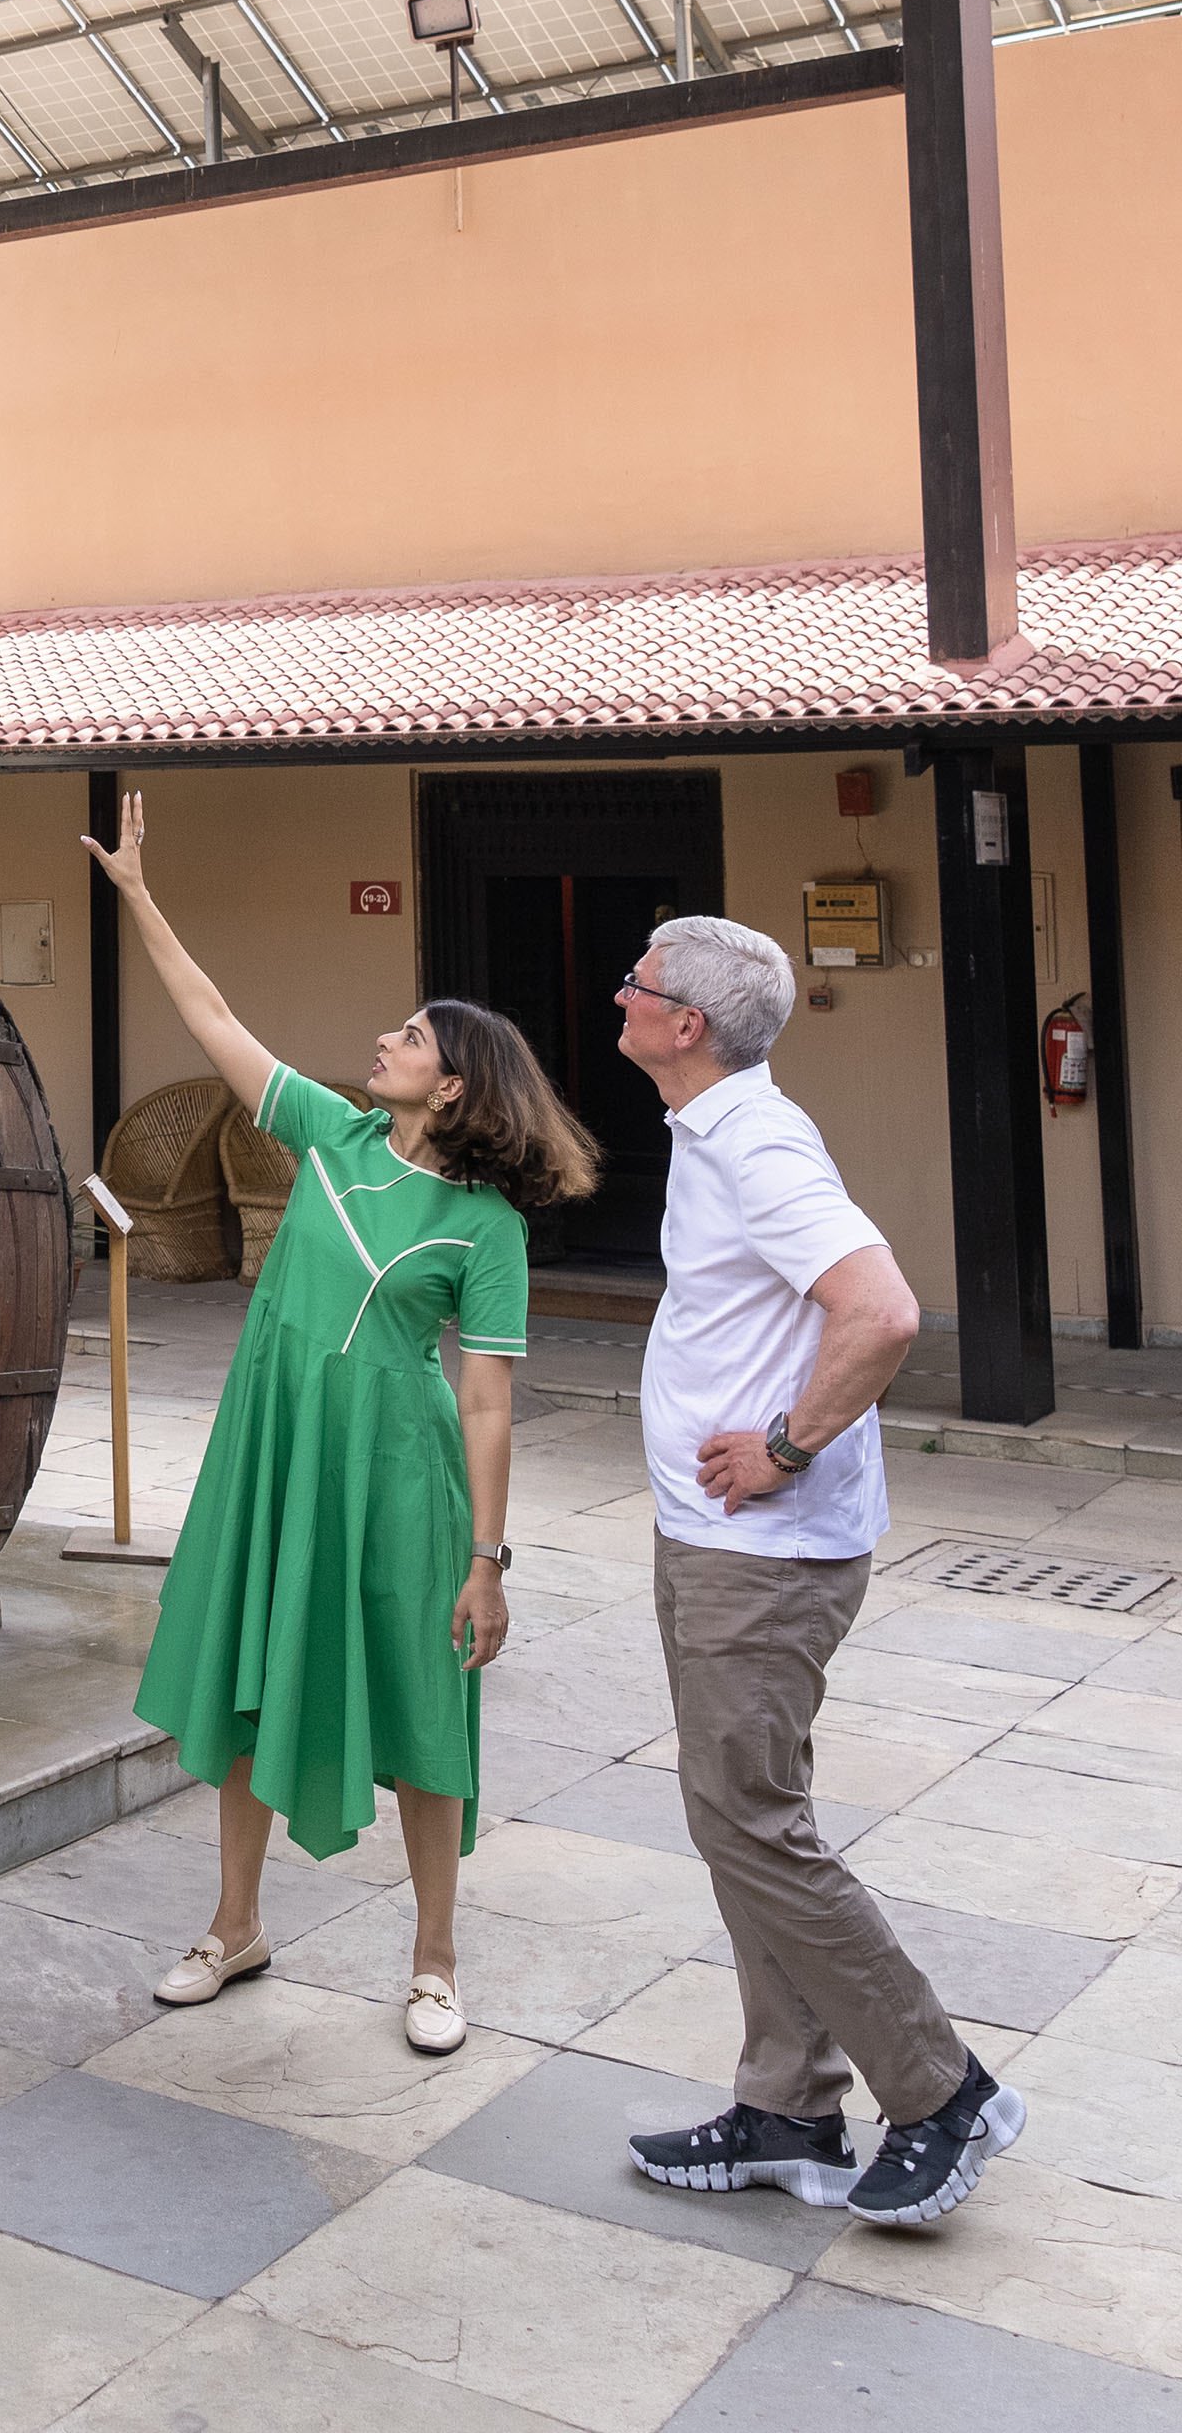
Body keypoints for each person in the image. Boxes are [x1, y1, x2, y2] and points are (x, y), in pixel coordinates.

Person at [85, 797, 598, 2055]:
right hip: (277, 1451)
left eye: (410, 1035)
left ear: (457, 1081)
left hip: (395, 1471)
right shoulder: (331, 1132)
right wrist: (139, 895)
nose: (385, 1037)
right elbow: (214, 1020)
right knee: (259, 1678)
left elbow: (484, 1396)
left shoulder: (489, 1228)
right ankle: (234, 1926)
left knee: (427, 1703)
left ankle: (432, 1963)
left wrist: (487, 1559)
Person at [610, 916, 1026, 2226]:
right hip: (715, 1542)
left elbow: (880, 1308)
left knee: (752, 1825)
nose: (618, 990)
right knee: (732, 1817)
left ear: (683, 1025)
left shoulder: (755, 1140)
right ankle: (786, 2105)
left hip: (762, 1555)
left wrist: (786, 1444)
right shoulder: (709, 1131)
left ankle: (938, 2090)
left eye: (638, 980)